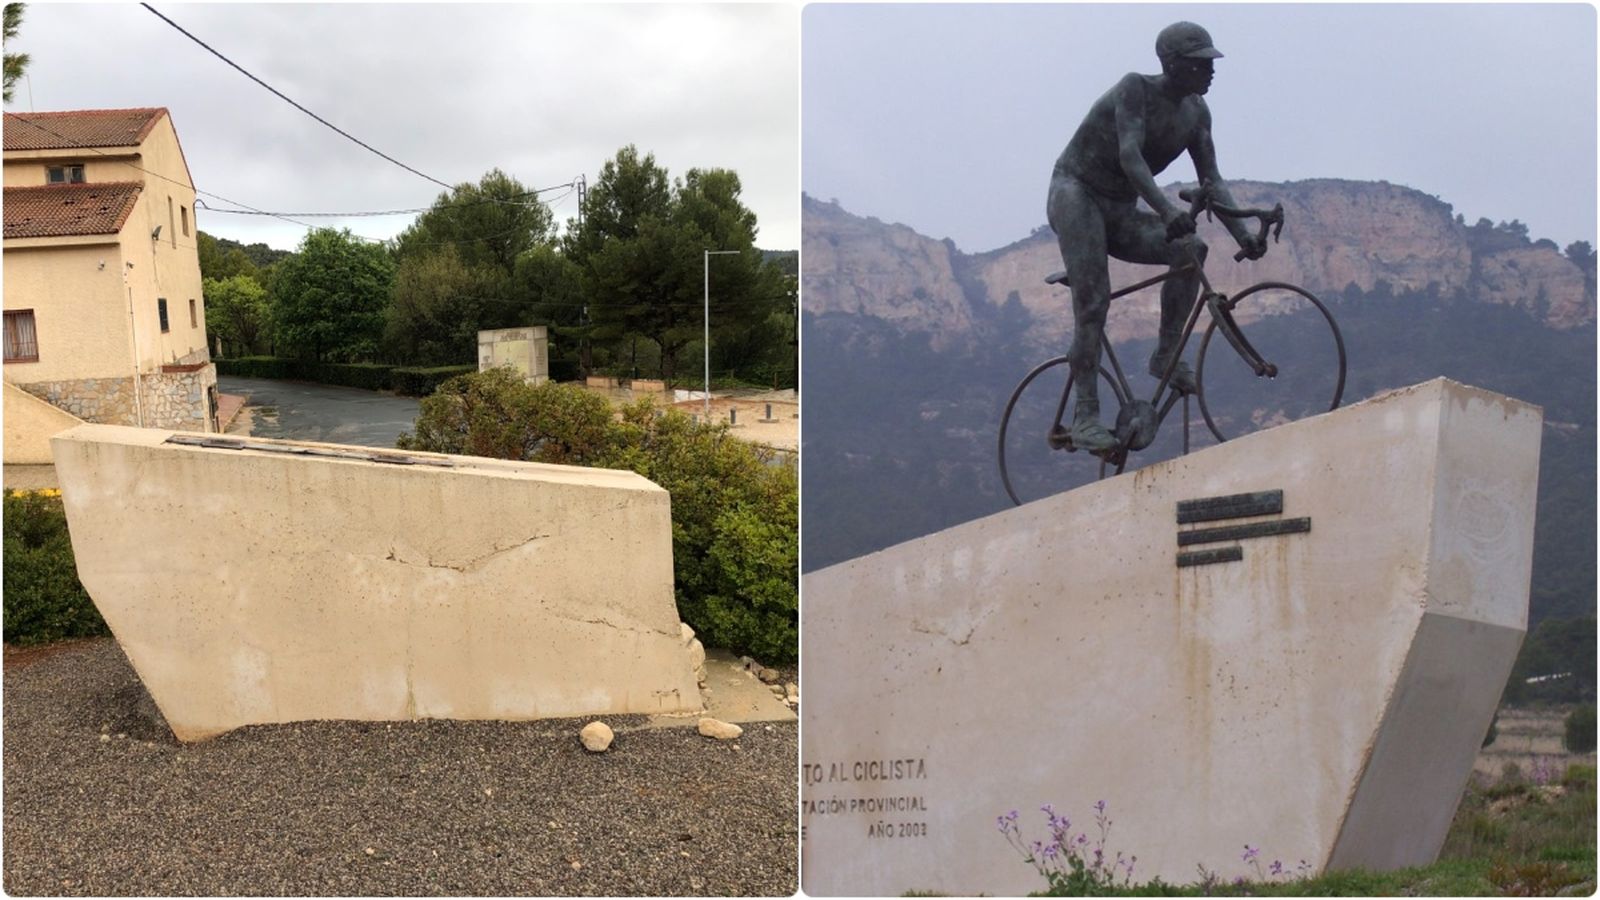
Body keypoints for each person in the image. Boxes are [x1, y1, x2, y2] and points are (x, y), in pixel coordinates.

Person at [1046, 21, 1265, 453]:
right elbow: (1130, 157)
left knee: (1191, 250)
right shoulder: (1134, 90)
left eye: (1210, 63)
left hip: (1121, 209)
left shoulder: (1197, 112)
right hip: (1077, 193)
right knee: (1093, 301)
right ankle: (1084, 416)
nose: (1211, 71)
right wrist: (1167, 211)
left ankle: (1165, 353)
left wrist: (1242, 232)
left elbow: (1212, 180)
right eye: (1201, 64)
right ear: (1172, 63)